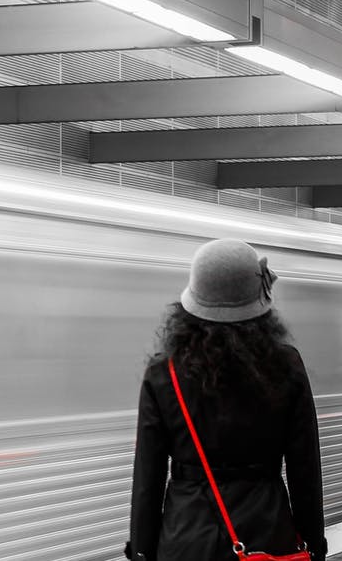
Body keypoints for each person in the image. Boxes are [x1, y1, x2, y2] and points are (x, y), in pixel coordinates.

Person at [125, 239, 326, 561]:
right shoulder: (285, 365)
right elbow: (305, 470)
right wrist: (314, 543)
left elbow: (147, 475)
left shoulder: (166, 371)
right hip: (268, 534)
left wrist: (141, 550)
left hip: (185, 537)